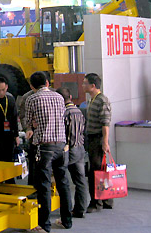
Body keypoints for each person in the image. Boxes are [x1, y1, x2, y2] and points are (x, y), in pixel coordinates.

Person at [25, 71, 72, 231]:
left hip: (44, 147)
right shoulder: (59, 97)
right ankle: (66, 221)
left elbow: (28, 121)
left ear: (32, 86)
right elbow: (61, 117)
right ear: (47, 83)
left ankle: (44, 225)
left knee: (44, 186)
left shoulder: (32, 98)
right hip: (61, 146)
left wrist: (32, 125)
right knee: (63, 183)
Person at [83, 72, 113, 213]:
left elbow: (105, 123)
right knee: (99, 170)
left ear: (93, 85)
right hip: (92, 139)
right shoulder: (92, 100)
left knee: (96, 172)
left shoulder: (102, 101)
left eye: (85, 83)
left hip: (98, 139)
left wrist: (105, 142)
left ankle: (96, 203)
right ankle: (105, 200)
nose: (83, 86)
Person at [57, 87, 88, 218]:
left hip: (68, 150)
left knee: (63, 181)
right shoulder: (79, 111)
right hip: (80, 148)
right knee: (80, 181)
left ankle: (66, 209)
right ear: (70, 97)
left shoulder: (64, 113)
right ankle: (80, 209)